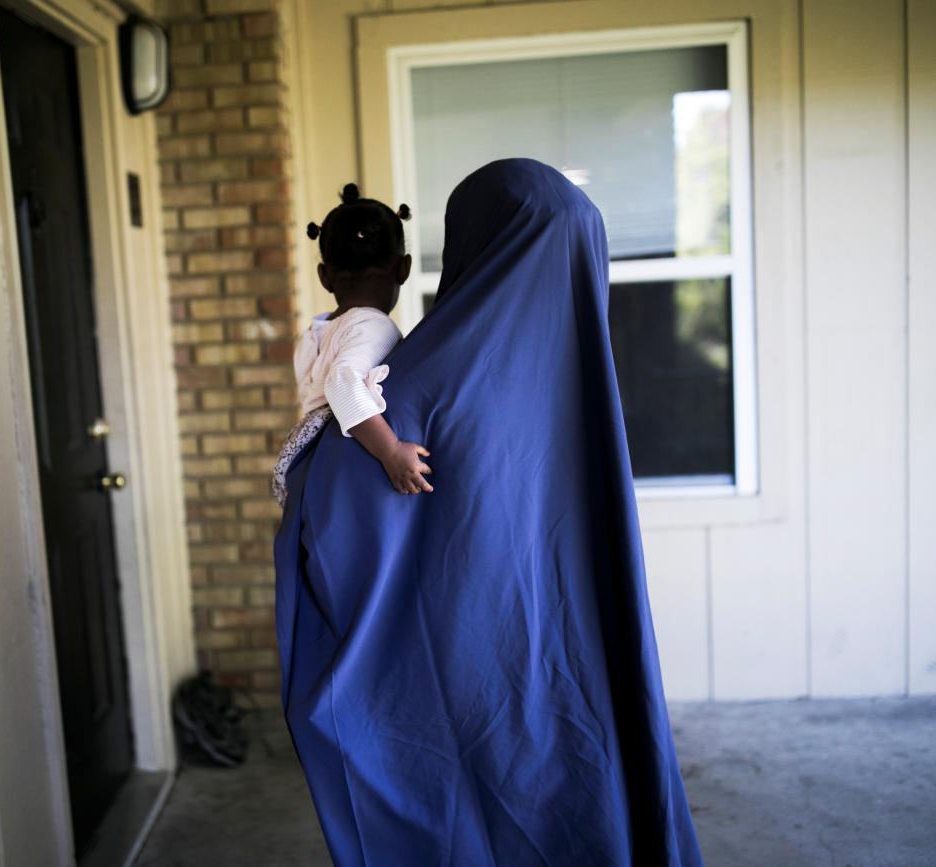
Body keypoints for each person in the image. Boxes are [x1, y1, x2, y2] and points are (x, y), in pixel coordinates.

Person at [274, 159, 704, 866]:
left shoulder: (417, 375)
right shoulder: (578, 383)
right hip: (563, 654)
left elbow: (329, 518)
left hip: (464, 674)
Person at [271, 183, 433, 507]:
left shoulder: (317, 331)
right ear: (404, 268)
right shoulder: (375, 326)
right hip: (340, 460)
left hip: (302, 456)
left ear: (324, 276)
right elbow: (342, 383)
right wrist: (389, 451)